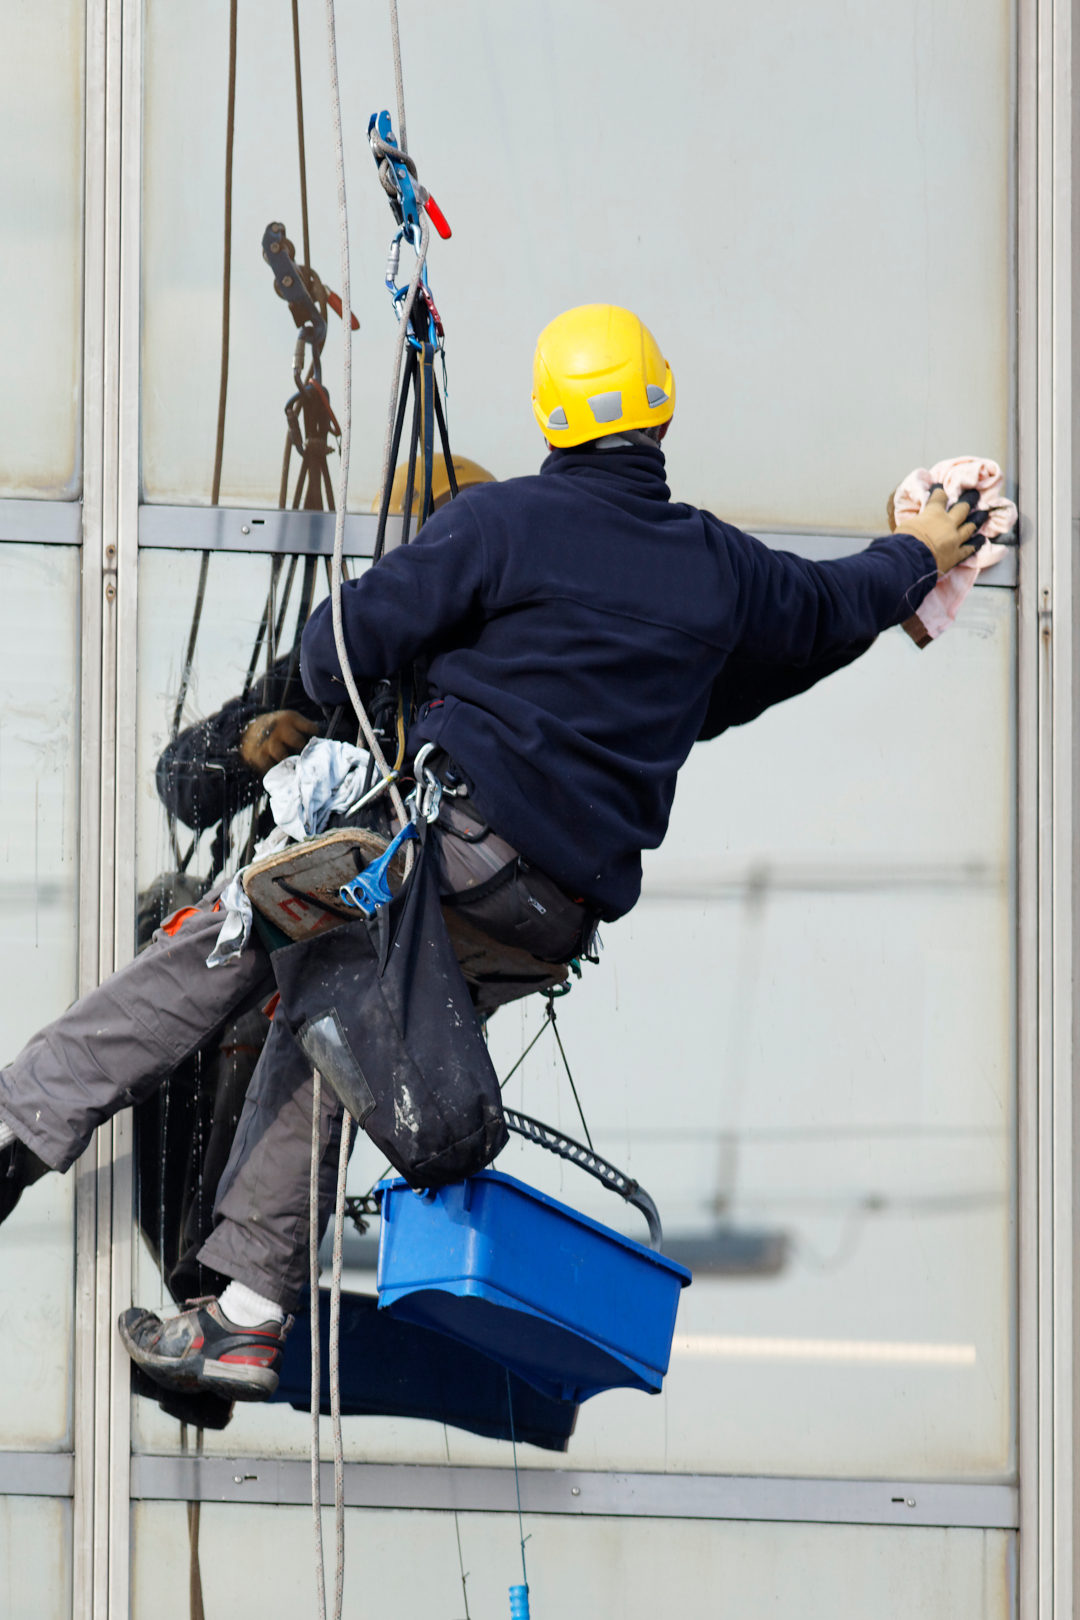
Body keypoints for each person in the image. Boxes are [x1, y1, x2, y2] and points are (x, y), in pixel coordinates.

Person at [0, 304, 976, 1403]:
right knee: (332, 1032)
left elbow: (335, 648)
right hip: (541, 921)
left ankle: (19, 1121)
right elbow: (832, 607)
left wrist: (333, 695)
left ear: (549, 417)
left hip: (440, 867)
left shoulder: (504, 526)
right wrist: (921, 553)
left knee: (219, 947)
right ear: (661, 402)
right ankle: (244, 1317)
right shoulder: (720, 570)